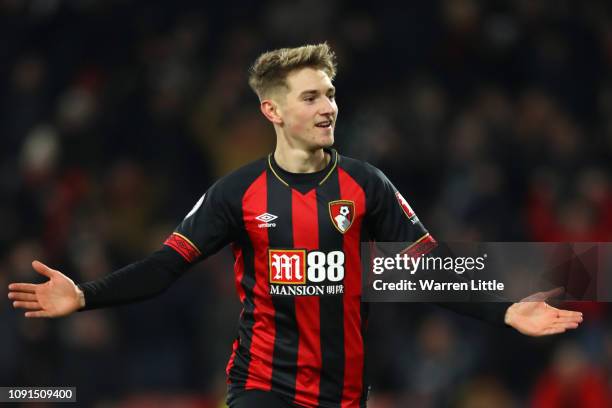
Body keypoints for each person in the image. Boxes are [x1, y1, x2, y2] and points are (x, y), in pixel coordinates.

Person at [8, 43, 583, 408]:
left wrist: (506, 309)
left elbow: (427, 267)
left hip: (344, 394)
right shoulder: (237, 193)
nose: (328, 106)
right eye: (311, 97)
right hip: (262, 386)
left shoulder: (368, 185)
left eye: (330, 94)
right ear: (273, 111)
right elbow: (165, 267)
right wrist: (85, 295)